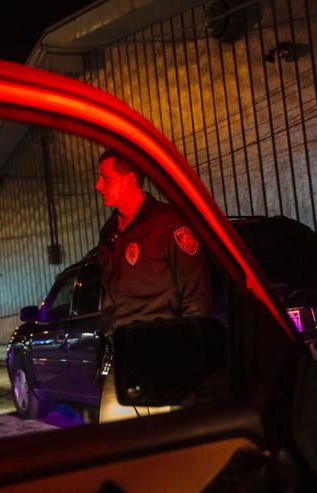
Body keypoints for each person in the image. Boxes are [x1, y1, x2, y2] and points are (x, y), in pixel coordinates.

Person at [95, 150, 211, 422]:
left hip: (161, 356)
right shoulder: (109, 232)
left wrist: (185, 358)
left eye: (105, 177)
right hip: (122, 356)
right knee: (114, 448)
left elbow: (196, 294)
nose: (98, 185)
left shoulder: (168, 223)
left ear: (130, 179)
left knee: (162, 446)